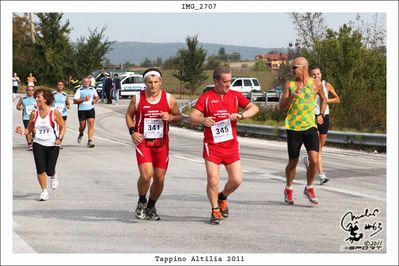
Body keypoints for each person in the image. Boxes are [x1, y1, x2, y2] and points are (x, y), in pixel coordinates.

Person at [188, 65, 259, 225]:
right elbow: (192, 116)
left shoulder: (234, 96)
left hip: (230, 145)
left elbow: (254, 107)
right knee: (213, 180)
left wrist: (241, 115)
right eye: (225, 81)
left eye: (230, 81)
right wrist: (203, 120)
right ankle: (214, 210)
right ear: (216, 81)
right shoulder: (206, 97)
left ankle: (222, 197)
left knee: (237, 180)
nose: (228, 84)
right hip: (212, 146)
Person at [125, 68, 183, 221]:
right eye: (149, 82)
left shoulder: (169, 98)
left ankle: (151, 206)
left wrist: (170, 117)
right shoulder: (137, 98)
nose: (152, 85)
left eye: (155, 82)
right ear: (145, 83)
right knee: (146, 175)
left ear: (160, 82)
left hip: (161, 143)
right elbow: (129, 115)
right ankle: (141, 200)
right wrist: (133, 132)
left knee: (159, 178)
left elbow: (179, 117)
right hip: (143, 142)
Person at [279, 57, 327, 205]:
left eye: (294, 67)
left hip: (310, 126)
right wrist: (291, 96)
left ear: (303, 68)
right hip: (293, 127)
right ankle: (288, 188)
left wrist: (320, 115)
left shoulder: (316, 84)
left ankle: (309, 187)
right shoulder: (290, 84)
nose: (292, 70)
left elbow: (324, 100)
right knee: (293, 161)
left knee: (313, 159)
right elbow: (281, 106)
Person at [15, 88, 66, 201]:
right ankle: (44, 191)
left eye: (39, 97)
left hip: (52, 144)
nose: (36, 99)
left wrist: (60, 139)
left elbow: (63, 126)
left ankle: (53, 175)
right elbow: (29, 129)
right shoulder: (34, 113)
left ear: (46, 99)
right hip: (38, 143)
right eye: (36, 97)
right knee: (40, 169)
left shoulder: (54, 112)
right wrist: (22, 132)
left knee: (49, 170)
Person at [303, 67, 340, 184]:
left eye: (318, 74)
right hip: (312, 117)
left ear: (321, 74)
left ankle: (309, 159)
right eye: (313, 74)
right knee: (317, 147)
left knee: (320, 149)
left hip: (324, 116)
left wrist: (325, 99)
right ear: (311, 75)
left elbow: (337, 99)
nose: (316, 76)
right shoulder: (308, 85)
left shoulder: (326, 85)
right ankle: (321, 174)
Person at [73, 77, 99, 148]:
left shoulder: (92, 89)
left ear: (90, 82)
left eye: (88, 81)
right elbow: (75, 101)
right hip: (82, 110)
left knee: (91, 124)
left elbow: (97, 97)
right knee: (82, 126)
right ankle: (81, 133)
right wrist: (84, 99)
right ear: (82, 83)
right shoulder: (79, 90)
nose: (86, 83)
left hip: (90, 109)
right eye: (85, 82)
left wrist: (95, 100)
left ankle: (90, 141)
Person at [16, 86, 37, 151]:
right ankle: (29, 144)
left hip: (35, 117)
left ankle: (33, 139)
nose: (31, 91)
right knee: (28, 131)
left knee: (34, 131)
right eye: (29, 90)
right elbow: (17, 106)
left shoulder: (36, 98)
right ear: (26, 91)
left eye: (32, 90)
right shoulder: (23, 98)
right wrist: (20, 108)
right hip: (26, 117)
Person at [52, 81, 70, 149]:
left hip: (63, 114)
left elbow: (67, 103)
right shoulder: (53, 94)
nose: (60, 86)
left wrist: (68, 106)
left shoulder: (65, 95)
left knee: (62, 128)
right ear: (57, 86)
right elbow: (49, 102)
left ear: (63, 86)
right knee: (55, 128)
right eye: (59, 85)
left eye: (61, 85)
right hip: (55, 113)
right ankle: (54, 141)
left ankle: (59, 142)